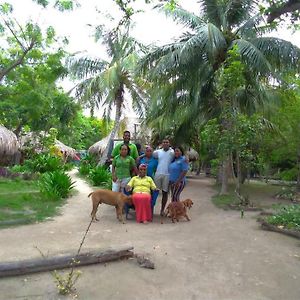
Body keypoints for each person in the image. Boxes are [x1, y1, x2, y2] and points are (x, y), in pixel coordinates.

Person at [153, 138, 175, 216]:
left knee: (165, 193)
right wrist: (141, 156)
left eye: (167, 142)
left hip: (167, 175)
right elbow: (148, 153)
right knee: (155, 192)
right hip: (158, 174)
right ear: (162, 144)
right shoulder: (158, 152)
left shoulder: (172, 152)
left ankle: (162, 210)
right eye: (164, 142)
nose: (165, 143)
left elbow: (180, 155)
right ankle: (151, 209)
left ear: (169, 143)